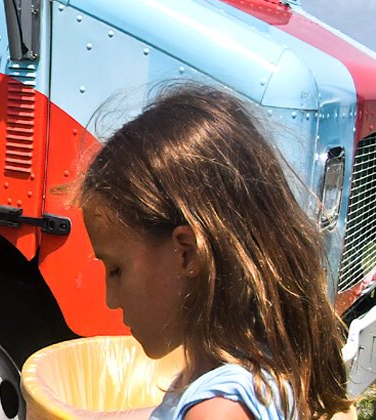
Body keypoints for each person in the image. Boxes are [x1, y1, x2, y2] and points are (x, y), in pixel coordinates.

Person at [78, 85, 350, 419]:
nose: (111, 298)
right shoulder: (244, 364)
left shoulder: (218, 411)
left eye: (116, 269)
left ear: (187, 254)